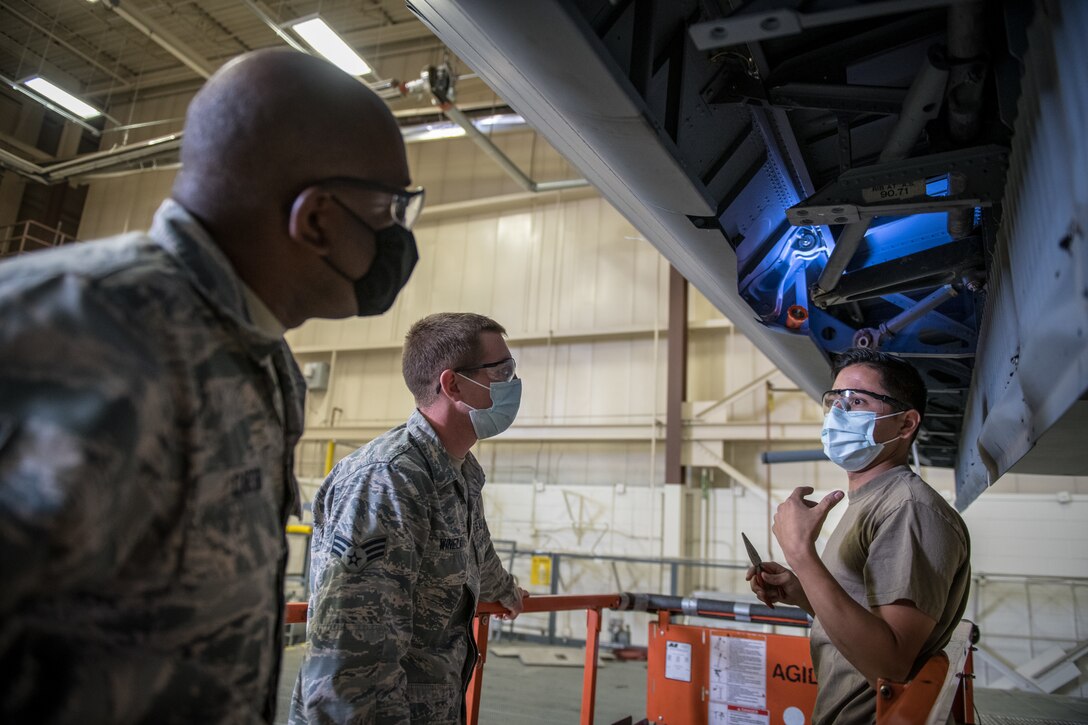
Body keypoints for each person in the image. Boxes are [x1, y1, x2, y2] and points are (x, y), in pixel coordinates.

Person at [0, 49, 422, 724]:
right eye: (391, 209)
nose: (399, 236)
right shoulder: (53, 336)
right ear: (315, 218)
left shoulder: (260, 353)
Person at [290, 312, 528, 725]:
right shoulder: (387, 480)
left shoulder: (457, 472)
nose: (513, 383)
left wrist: (505, 590)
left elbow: (475, 554)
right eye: (502, 370)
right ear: (453, 384)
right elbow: (350, 658)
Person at [748, 348, 971, 723]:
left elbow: (891, 664)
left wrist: (801, 553)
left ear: (905, 424)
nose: (838, 413)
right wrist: (803, 591)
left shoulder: (909, 508)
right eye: (833, 400)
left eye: (856, 401)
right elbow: (864, 614)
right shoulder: (871, 502)